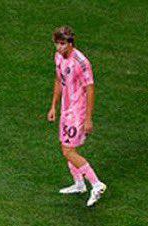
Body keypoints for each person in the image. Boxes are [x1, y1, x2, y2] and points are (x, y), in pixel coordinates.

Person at [48, 26, 106, 207]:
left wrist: (88, 118)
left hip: (77, 111)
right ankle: (79, 184)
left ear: (70, 43)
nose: (59, 48)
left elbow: (90, 89)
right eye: (57, 44)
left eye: (62, 44)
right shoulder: (58, 57)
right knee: (67, 147)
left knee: (68, 151)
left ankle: (96, 184)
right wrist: (53, 107)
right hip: (66, 109)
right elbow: (59, 80)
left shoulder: (81, 63)